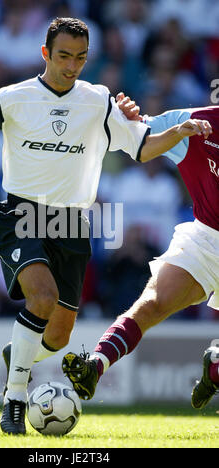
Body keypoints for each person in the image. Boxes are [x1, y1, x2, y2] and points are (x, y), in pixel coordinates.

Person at [0, 17, 212, 435]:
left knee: (60, 334)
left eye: (81, 58)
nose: (72, 66)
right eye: (64, 56)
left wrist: (178, 130)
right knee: (43, 298)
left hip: (71, 221)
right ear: (46, 53)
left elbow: (141, 148)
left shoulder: (99, 101)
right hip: (22, 214)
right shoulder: (11, 98)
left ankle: (20, 353)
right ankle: (14, 399)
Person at [62, 100, 219, 410]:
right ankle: (96, 364)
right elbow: (140, 133)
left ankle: (215, 367)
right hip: (207, 239)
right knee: (152, 304)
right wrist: (129, 118)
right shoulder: (196, 122)